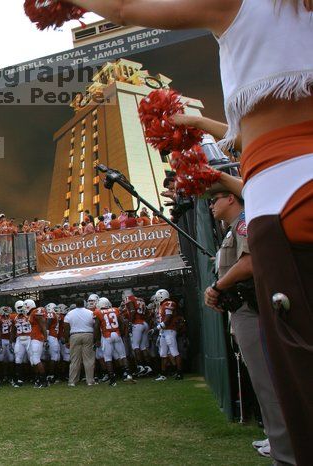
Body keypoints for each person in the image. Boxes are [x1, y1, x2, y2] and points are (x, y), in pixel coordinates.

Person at [61, 2, 313, 460]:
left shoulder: (244, 7)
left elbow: (123, 6)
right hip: (286, 187)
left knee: (301, 380)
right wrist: (199, 127)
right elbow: (245, 135)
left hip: (289, 196)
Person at [204, 185, 295, 463]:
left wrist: (217, 287)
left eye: (214, 200)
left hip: (253, 308)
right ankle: (276, 437)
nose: (211, 206)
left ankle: (286, 447)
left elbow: (250, 263)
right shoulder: (232, 229)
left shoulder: (244, 222)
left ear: (230, 198)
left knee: (266, 378)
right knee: (261, 378)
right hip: (241, 308)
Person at [94, 297, 133, 386]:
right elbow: (122, 322)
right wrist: (122, 333)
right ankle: (128, 374)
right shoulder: (115, 310)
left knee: (108, 358)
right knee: (122, 356)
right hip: (117, 334)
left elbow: (96, 327)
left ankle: (112, 379)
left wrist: (97, 340)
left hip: (106, 336)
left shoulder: (98, 312)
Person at [64, 295, 98, 387]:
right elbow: (95, 325)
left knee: (74, 360)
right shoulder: (90, 312)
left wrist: (67, 340)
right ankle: (90, 381)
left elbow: (66, 327)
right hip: (88, 334)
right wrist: (95, 338)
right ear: (84, 304)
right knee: (89, 359)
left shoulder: (70, 313)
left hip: (74, 335)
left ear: (75, 304)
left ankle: (72, 381)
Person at [153, 289, 183, 381]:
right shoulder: (162, 305)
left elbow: (168, 319)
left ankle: (179, 373)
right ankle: (163, 374)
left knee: (174, 352)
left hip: (169, 330)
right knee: (163, 353)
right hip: (164, 331)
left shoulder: (168, 303)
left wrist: (156, 329)